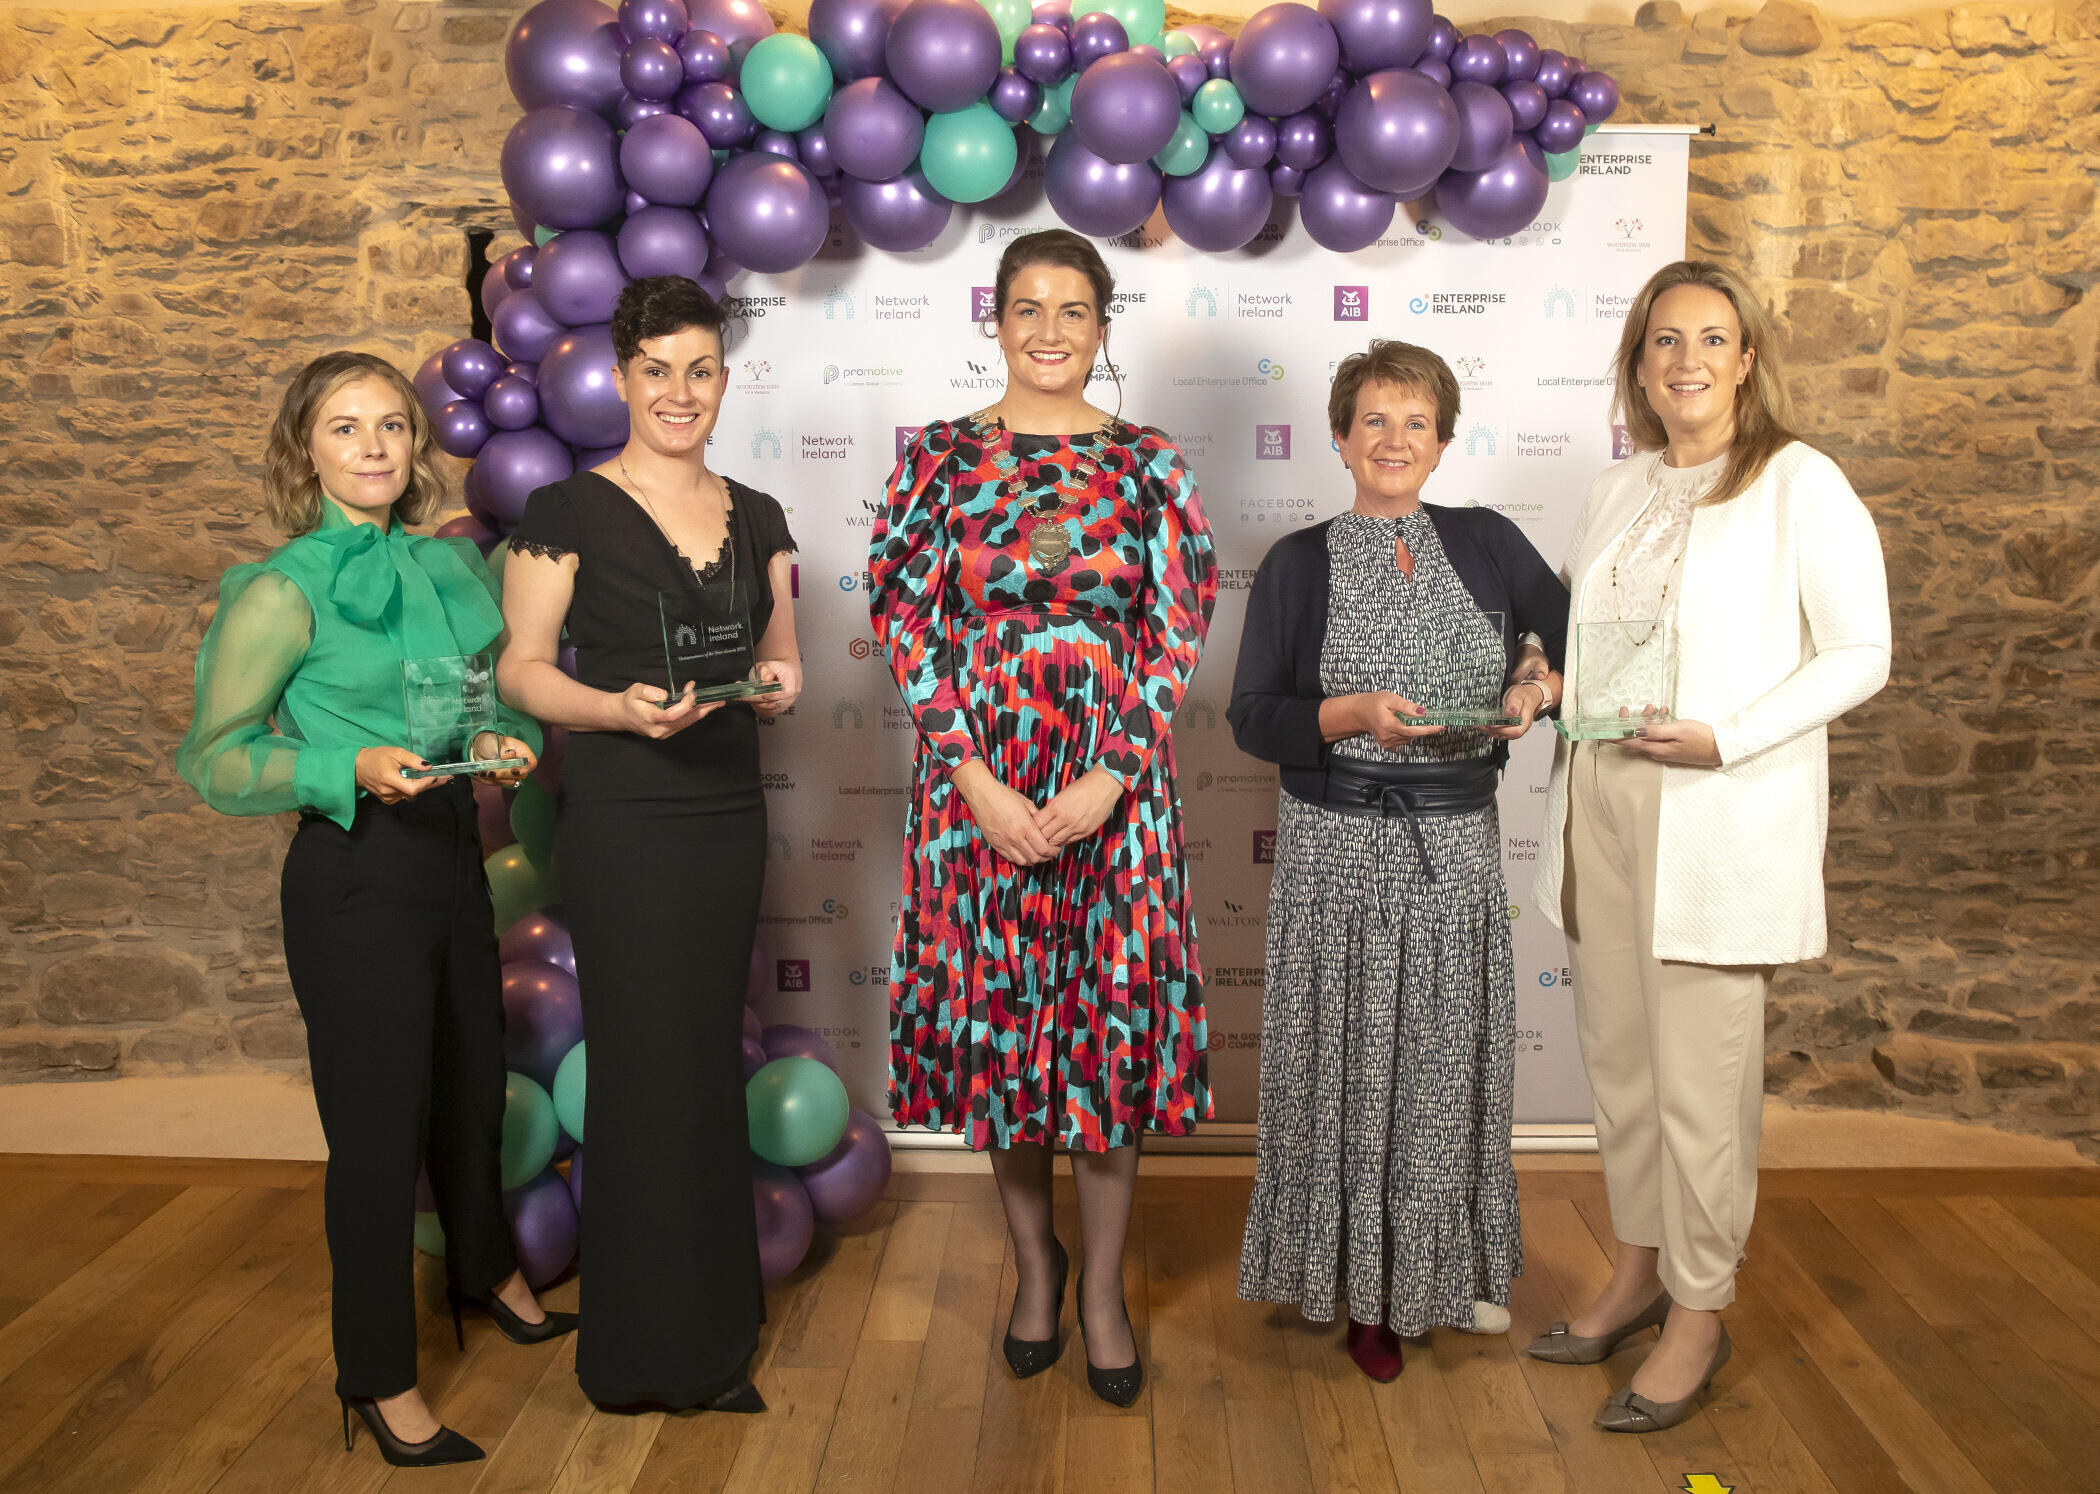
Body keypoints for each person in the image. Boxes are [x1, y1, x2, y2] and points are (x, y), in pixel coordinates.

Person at [177, 351, 571, 1469]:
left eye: (392, 426)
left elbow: (501, 712)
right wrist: (345, 769)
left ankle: (487, 1272)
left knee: (471, 1081)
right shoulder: (278, 589)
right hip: (352, 877)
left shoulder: (452, 570)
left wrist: (511, 745)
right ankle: (380, 1379)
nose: (374, 448)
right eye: (346, 429)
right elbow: (215, 760)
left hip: (452, 860)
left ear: (416, 445)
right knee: (375, 1134)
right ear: (308, 449)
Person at [1523, 261, 1890, 1432]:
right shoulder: (1615, 489)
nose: (1686, 362)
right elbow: (1594, 635)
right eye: (1664, 341)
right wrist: (1544, 676)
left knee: (1698, 1091)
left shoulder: (1798, 483)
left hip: (1714, 814)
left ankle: (1699, 1310)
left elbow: (1857, 655)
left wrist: (1728, 736)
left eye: (1711, 341)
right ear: (1638, 364)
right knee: (1623, 1074)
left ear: (1746, 360)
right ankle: (1636, 1271)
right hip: (1608, 803)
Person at [870, 229, 1216, 1407]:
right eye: (1028, 307)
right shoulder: (938, 458)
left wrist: (1109, 779)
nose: (1051, 329)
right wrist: (974, 780)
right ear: (997, 320)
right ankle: (1035, 1268)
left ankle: (1106, 1290)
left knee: (1104, 1045)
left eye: (1074, 309)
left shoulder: (1150, 463)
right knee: (1009, 1037)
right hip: (981, 793)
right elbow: (906, 622)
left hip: (1113, 794)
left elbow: (1177, 623)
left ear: (1103, 327)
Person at [1229, 340, 1568, 1383]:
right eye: (1373, 420)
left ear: (1444, 441)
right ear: (1339, 437)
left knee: (1438, 1070)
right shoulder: (1299, 561)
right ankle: (1365, 1295)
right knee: (1348, 1070)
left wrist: (1533, 688)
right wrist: (1354, 715)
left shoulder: (1488, 541)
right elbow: (1252, 717)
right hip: (1338, 850)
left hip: (1455, 851)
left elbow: (1567, 647)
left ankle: (1443, 1265)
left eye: (1414, 422)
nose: (1393, 440)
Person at [499, 276, 802, 1412]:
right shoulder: (564, 512)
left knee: (705, 1068)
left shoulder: (761, 514)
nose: (681, 391)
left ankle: (715, 1343)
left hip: (727, 816)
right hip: (625, 821)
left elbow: (786, 662)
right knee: (640, 1072)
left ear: (725, 379)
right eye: (657, 370)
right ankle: (634, 1354)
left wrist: (773, 689)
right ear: (622, 378)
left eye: (701, 369)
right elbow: (521, 672)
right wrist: (618, 709)